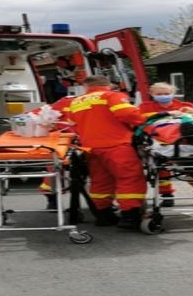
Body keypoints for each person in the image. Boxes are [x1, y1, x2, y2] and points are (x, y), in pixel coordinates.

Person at [64, 74, 150, 229]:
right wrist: (145, 122)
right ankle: (130, 215)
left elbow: (72, 125)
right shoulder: (112, 96)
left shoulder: (76, 102)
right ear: (108, 84)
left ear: (86, 87)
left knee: (100, 180)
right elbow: (128, 114)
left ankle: (103, 215)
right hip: (116, 145)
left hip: (90, 147)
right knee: (129, 178)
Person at [137, 82, 193, 205]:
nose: (163, 96)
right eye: (159, 94)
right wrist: (165, 114)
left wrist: (190, 112)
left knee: (192, 166)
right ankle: (167, 193)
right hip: (161, 134)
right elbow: (140, 120)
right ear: (151, 94)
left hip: (184, 133)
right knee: (162, 167)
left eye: (167, 93)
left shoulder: (185, 105)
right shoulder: (145, 107)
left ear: (173, 93)